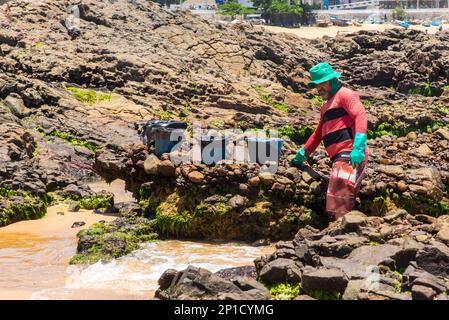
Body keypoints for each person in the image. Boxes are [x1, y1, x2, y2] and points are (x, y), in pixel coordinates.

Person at [291, 62, 368, 219]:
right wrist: (302, 154)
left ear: (333, 80)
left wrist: (358, 148)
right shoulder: (326, 106)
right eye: (316, 85)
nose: (319, 88)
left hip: (349, 154)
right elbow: (318, 134)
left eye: (322, 83)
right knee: (337, 199)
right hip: (338, 157)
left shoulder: (345, 94)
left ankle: (341, 236)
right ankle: (342, 234)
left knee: (339, 200)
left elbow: (360, 115)